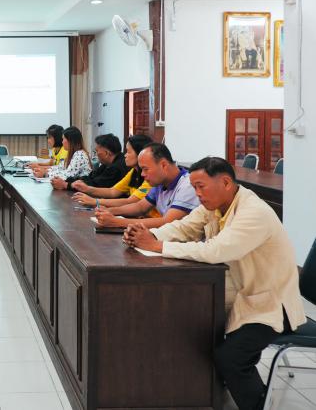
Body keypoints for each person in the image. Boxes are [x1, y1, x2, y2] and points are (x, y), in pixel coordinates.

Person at [123, 157, 306, 410]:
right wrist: (146, 234)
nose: (197, 194)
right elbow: (184, 228)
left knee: (231, 357)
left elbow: (215, 251)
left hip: (272, 304)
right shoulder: (215, 204)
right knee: (190, 324)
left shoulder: (254, 212)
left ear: (226, 182)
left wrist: (157, 246)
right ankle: (199, 394)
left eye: (201, 187)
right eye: (194, 187)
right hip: (242, 294)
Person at [94, 143, 199, 229]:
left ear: (163, 165)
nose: (142, 174)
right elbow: (140, 207)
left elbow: (167, 222)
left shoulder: (188, 185)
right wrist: (110, 211)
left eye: (145, 169)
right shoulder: (160, 183)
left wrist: (116, 222)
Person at [72, 134, 159, 217]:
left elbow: (131, 201)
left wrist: (96, 201)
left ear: (141, 154)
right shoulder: (134, 171)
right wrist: (87, 189)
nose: (125, 155)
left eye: (128, 152)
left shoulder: (150, 177)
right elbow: (113, 191)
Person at [57, 133, 127, 191]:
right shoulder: (107, 163)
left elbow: (95, 186)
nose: (126, 155)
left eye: (96, 151)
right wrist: (68, 181)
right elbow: (91, 177)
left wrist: (67, 185)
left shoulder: (116, 168)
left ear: (106, 153)